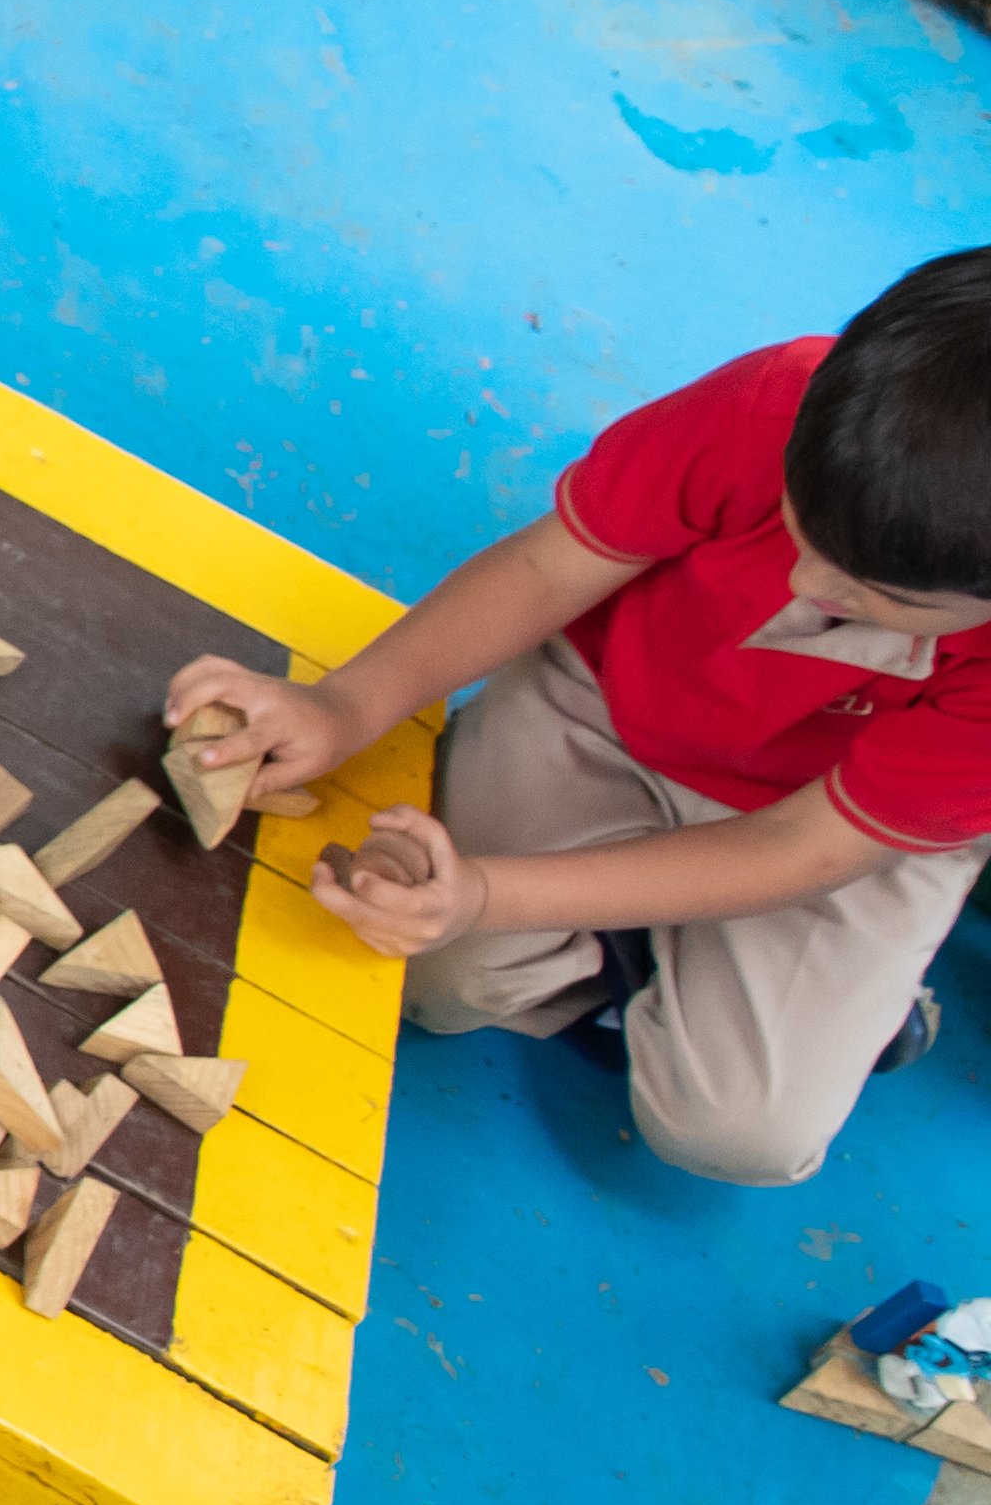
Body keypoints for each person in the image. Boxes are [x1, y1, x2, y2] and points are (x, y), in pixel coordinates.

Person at [172, 243, 988, 1187]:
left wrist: (483, 894)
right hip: (608, 707)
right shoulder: (776, 400)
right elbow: (544, 568)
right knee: (432, 983)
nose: (804, 584)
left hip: (829, 825)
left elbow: (798, 851)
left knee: (738, 1136)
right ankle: (630, 963)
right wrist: (345, 704)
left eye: (872, 591)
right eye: (804, 528)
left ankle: (791, 989)